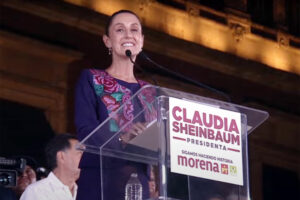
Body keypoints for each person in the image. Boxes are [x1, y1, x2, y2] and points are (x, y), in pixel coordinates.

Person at [75, 10, 157, 200]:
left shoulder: (150, 91)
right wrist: (123, 138)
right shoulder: (92, 78)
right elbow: (86, 130)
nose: (129, 35)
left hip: (139, 182)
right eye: (120, 30)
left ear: (142, 40)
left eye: (134, 30)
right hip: (100, 181)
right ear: (107, 41)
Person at [20, 134, 82, 200]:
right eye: (80, 153)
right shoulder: (36, 192)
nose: (86, 158)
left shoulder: (84, 191)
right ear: (61, 156)